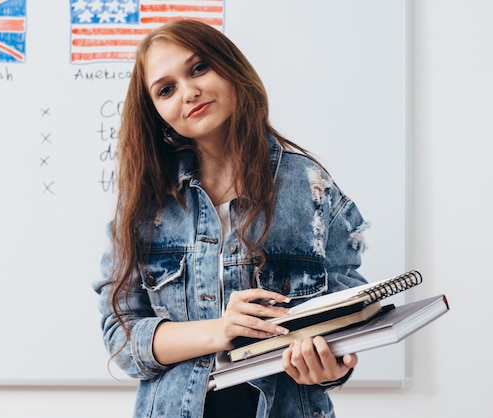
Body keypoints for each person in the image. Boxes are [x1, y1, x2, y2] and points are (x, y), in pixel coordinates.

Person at [93, 19, 370, 418]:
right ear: (155, 112)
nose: (189, 93)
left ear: (230, 67)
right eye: (166, 89)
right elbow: (120, 337)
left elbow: (348, 318)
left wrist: (328, 369)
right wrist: (221, 329)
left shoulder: (311, 186)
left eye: (199, 68)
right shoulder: (145, 205)